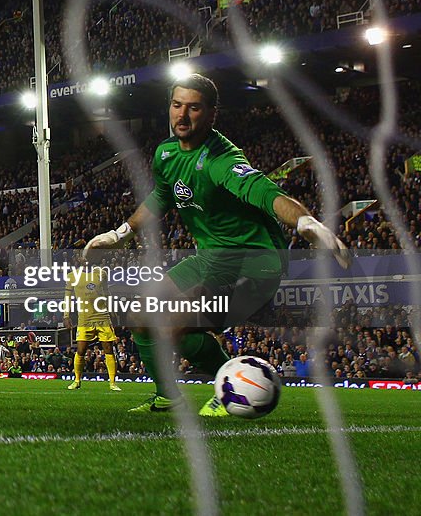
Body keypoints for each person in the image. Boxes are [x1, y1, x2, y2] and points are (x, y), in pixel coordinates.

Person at [83, 74, 350, 414]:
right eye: (177, 105)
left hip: (253, 264)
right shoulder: (166, 154)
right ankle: (169, 395)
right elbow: (162, 197)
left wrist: (305, 222)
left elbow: (263, 191)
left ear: (211, 115)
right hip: (209, 259)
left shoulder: (222, 159)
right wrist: (120, 234)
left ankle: (236, 389)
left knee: (171, 324)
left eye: (193, 108)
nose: (181, 115)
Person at [62, 267, 121, 391]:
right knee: (81, 350)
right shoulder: (72, 275)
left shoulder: (102, 273)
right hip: (85, 319)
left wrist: (112, 310)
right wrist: (66, 315)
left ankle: (113, 383)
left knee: (108, 348)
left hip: (102, 317)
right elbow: (67, 297)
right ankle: (77, 381)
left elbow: (107, 293)